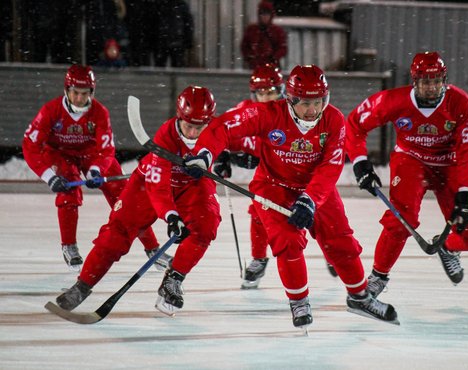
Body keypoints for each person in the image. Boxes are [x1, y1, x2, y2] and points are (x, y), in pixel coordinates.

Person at [184, 65, 398, 328]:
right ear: (291, 99)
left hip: (316, 188)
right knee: (287, 241)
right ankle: (298, 301)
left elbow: (330, 166)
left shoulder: (333, 120)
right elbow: (223, 126)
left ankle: (359, 297)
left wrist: (310, 198)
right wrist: (206, 154)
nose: (312, 109)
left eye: (317, 101)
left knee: (340, 239)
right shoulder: (268, 113)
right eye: (306, 103)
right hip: (273, 186)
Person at [55, 86, 221, 317]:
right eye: (188, 126)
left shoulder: (215, 129)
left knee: (206, 225)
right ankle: (82, 285)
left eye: (199, 127)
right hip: (150, 183)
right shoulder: (166, 136)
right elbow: (158, 185)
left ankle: (173, 279)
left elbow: (231, 135)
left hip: (193, 184)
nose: (193, 133)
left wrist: (228, 156)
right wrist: (171, 216)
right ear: (179, 117)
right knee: (118, 231)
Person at [346, 51, 468, 298]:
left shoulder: (459, 102)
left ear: (444, 80)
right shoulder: (393, 101)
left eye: (437, 80)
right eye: (426, 81)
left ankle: (448, 247)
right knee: (400, 219)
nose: (432, 87)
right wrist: (360, 162)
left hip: (450, 164)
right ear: (414, 81)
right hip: (411, 160)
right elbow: (354, 124)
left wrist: (465, 192)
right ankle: (378, 276)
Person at [22, 64, 163, 272]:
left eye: (84, 93)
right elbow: (30, 145)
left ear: (92, 92)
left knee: (127, 197)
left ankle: (152, 248)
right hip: (60, 153)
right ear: (66, 90)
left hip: (92, 154)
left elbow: (106, 150)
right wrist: (49, 176)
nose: (79, 99)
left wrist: (95, 170)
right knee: (69, 195)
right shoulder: (50, 111)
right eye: (75, 93)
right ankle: (69, 245)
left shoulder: (100, 112)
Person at [213, 64, 338, 289]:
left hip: (304, 175)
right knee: (258, 212)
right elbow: (223, 133)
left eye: (271, 91)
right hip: (271, 178)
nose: (266, 96)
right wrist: (223, 155)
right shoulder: (247, 111)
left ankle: (332, 253)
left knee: (317, 216)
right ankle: (259, 259)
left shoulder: (291, 112)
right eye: (261, 92)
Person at [240, 0, 287, 70]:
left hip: (272, 67)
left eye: (267, 14)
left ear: (271, 15)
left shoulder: (277, 31)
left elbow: (282, 48)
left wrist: (274, 57)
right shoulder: (252, 30)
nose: (265, 17)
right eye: (262, 14)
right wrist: (250, 57)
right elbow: (244, 46)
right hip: (254, 67)